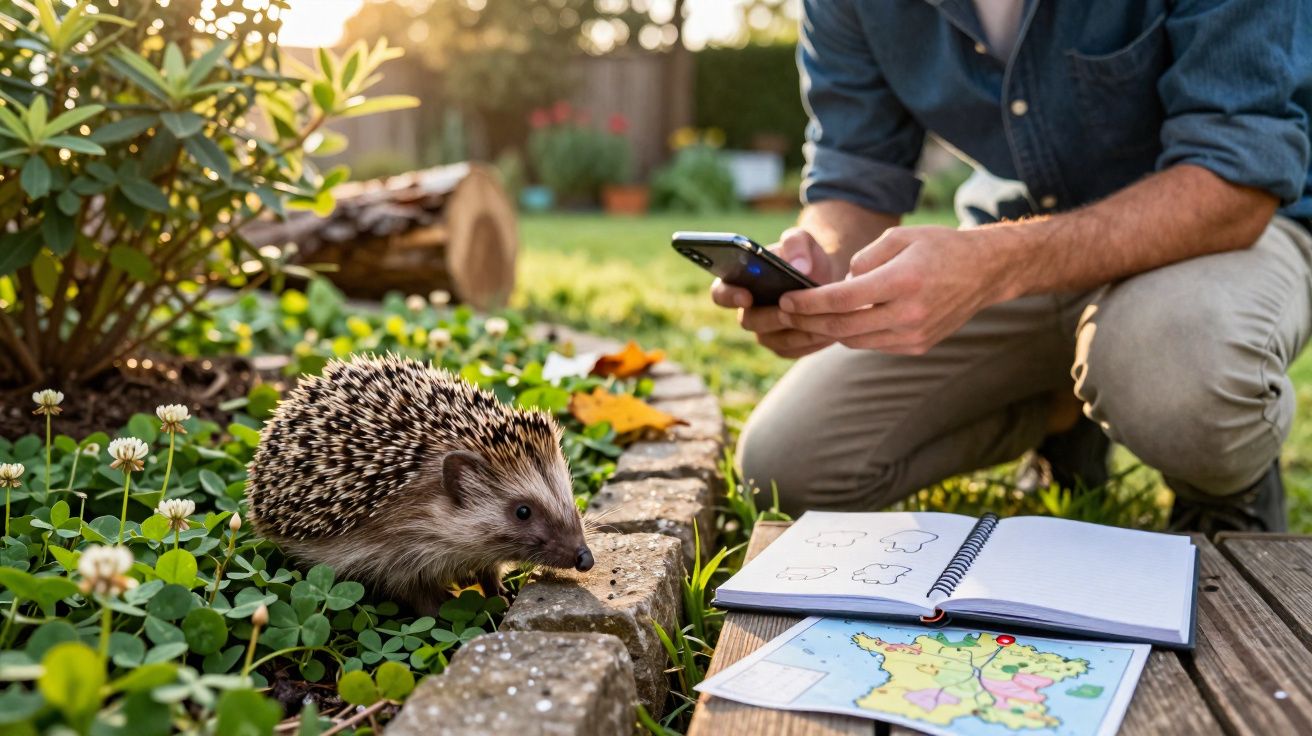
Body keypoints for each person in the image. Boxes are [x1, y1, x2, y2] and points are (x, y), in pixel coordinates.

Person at [715, 0, 1312, 533]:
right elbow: (855, 174)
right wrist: (818, 259)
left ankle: (1223, 487)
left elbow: (1237, 177)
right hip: (1017, 242)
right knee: (786, 466)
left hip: (1221, 234)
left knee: (1183, 377)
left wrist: (994, 265)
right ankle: (1061, 411)